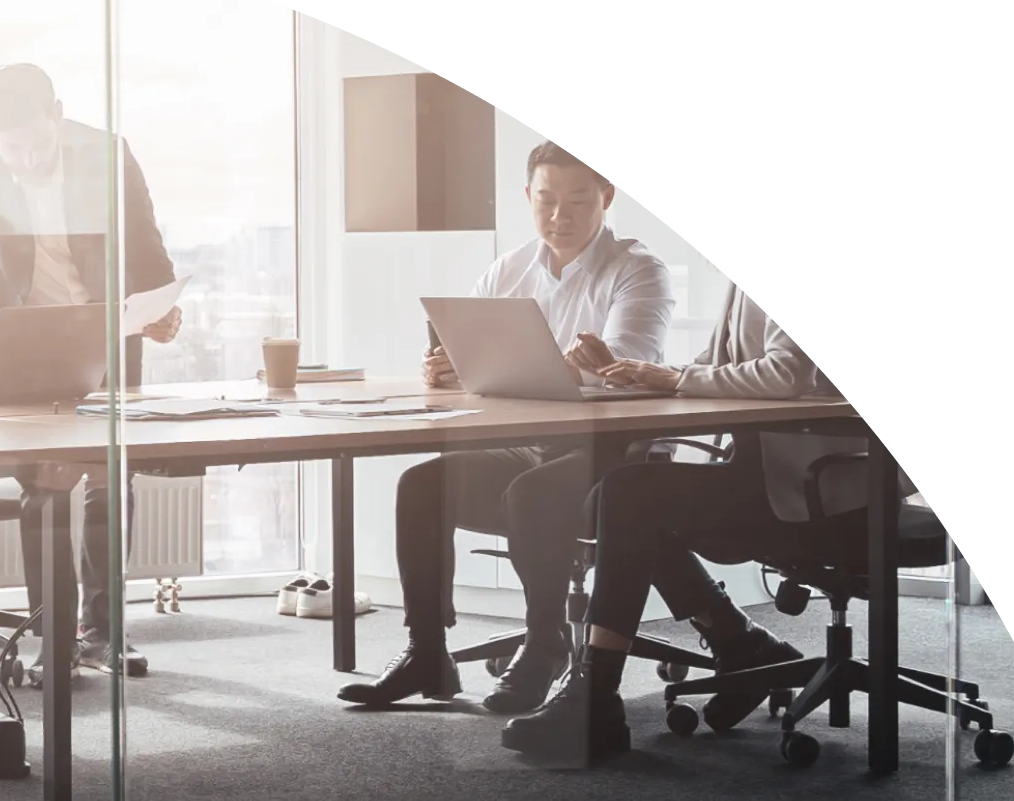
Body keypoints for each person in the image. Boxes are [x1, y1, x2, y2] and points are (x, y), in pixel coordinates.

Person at [339, 140, 687, 714]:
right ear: (528, 196)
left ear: (606, 197)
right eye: (546, 200)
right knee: (421, 486)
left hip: (614, 450)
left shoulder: (638, 270)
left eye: (578, 200)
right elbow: (479, 359)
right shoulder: (510, 269)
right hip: (532, 444)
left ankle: (544, 642)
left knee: (532, 493)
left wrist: (523, 365)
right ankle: (427, 653)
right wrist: (452, 368)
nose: (560, 215)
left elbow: (625, 364)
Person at [500, 281, 911, 763]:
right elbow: (713, 366)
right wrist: (631, 372)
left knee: (628, 495)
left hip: (831, 494)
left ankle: (598, 697)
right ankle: (737, 642)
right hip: (780, 477)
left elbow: (788, 373)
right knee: (624, 499)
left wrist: (672, 380)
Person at [0, 63, 182, 677]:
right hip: (22, 340)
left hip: (104, 332)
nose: (27, 159)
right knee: (46, 482)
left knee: (111, 477)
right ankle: (53, 636)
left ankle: (103, 631)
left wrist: (161, 306)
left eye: (36, 143)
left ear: (57, 113)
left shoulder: (107, 154)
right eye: (12, 149)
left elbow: (143, 240)